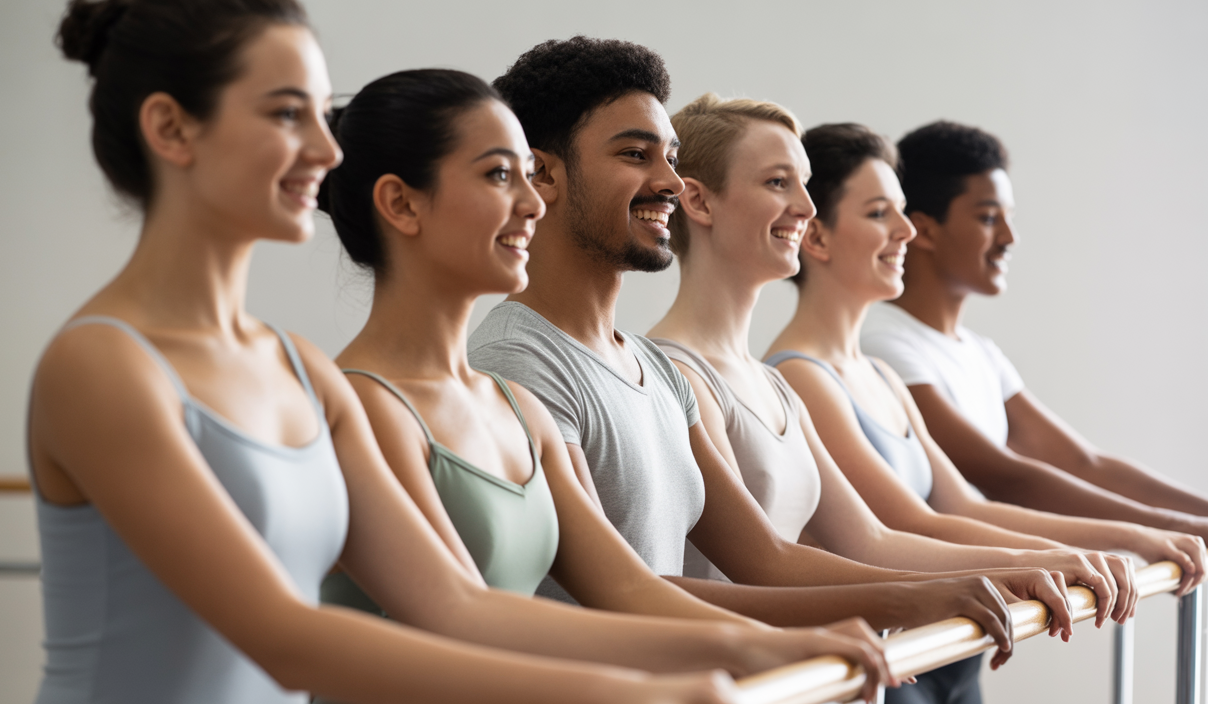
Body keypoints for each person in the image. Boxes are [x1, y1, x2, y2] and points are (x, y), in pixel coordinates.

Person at [25, 2, 837, 701]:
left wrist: (750, 646)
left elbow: (458, 603)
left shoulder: (300, 371)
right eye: (285, 114)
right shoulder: (103, 366)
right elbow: (285, 637)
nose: (326, 146)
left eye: (320, 111)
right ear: (171, 128)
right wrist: (635, 689)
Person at [467, 36, 1076, 661]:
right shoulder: (522, 361)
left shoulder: (654, 369)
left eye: (671, 159)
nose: (670, 183)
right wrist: (897, 603)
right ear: (542, 173)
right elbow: (626, 590)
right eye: (634, 155)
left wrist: (948, 587)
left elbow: (769, 558)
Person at [313, 66, 900, 697]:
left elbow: (629, 586)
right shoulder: (370, 402)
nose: (532, 202)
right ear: (402, 203)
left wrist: (773, 645)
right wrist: (731, 654)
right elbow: (461, 613)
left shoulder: (517, 408)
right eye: (498, 175)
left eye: (525, 175)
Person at [759, 122, 1208, 703]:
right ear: (816, 238)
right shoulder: (801, 375)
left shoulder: (880, 375)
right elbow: (906, 526)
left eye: (901, 211)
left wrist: (1122, 541)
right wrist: (1084, 552)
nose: (906, 230)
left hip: (951, 647)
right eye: (880, 214)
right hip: (883, 660)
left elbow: (969, 506)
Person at [858, 120, 1208, 583]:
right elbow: (1008, 476)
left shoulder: (979, 353)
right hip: (926, 594)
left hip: (976, 599)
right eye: (988, 217)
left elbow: (1084, 463)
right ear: (926, 230)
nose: (1009, 239)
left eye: (1009, 218)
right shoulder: (885, 344)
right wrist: (1170, 529)